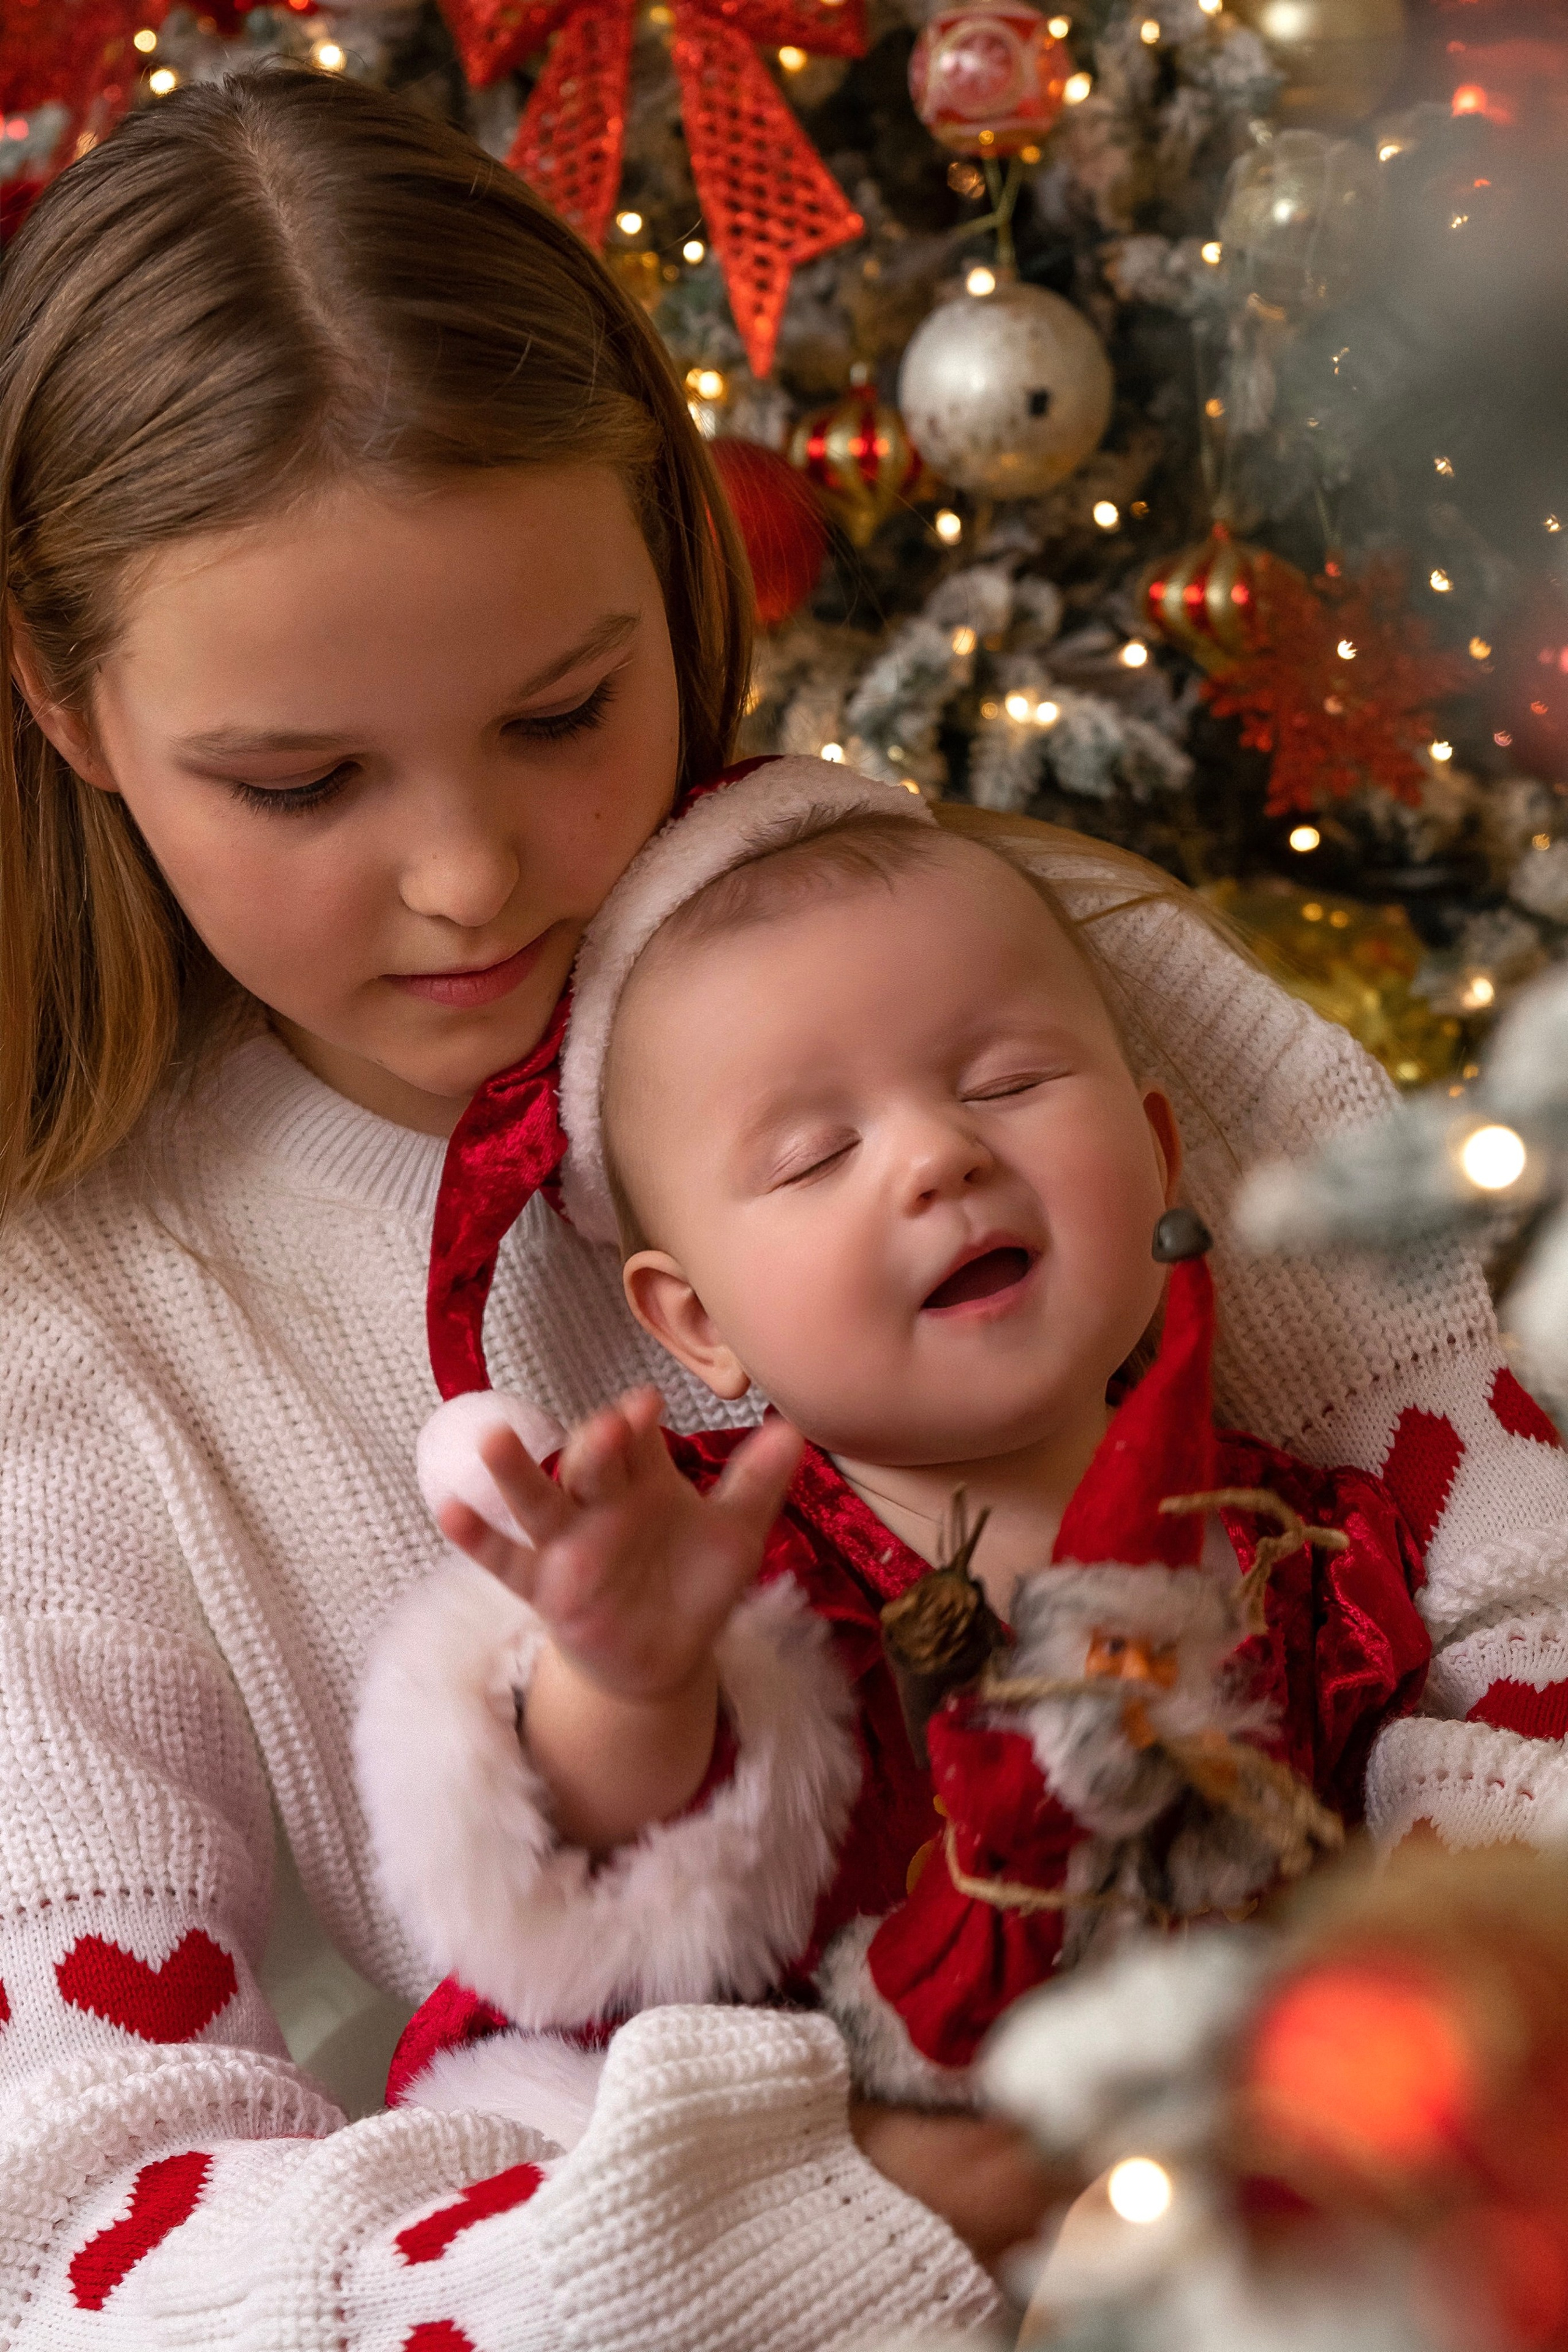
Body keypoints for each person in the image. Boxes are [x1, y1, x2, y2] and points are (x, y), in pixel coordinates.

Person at [0, 57, 1559, 2352]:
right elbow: (80, 2222)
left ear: (672, 560)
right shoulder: (79, 1349)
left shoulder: (1024, 982)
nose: (468, 875)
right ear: (64, 705)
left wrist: (1353, 2049)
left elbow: (1525, 1574)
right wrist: (778, 2236)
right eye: (303, 780)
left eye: (562, 711)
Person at [355, 769, 1429, 2132]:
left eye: (1007, 1081)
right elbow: (602, 1867)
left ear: (1158, 1155)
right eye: (814, 1156)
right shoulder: (725, 1557)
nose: (937, 1155)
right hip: (826, 2207)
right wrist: (626, 1682)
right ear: (695, 1323)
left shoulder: (1300, 1552)